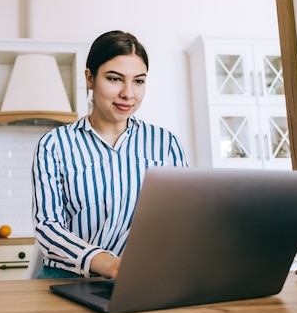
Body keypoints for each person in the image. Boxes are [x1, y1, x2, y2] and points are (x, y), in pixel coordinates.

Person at [31, 30, 188, 279]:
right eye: (115, 79)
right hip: (66, 279)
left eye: (138, 81)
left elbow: (183, 217)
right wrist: (106, 263)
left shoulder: (165, 144)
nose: (128, 93)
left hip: (140, 277)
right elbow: (48, 227)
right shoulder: (54, 145)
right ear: (90, 78)